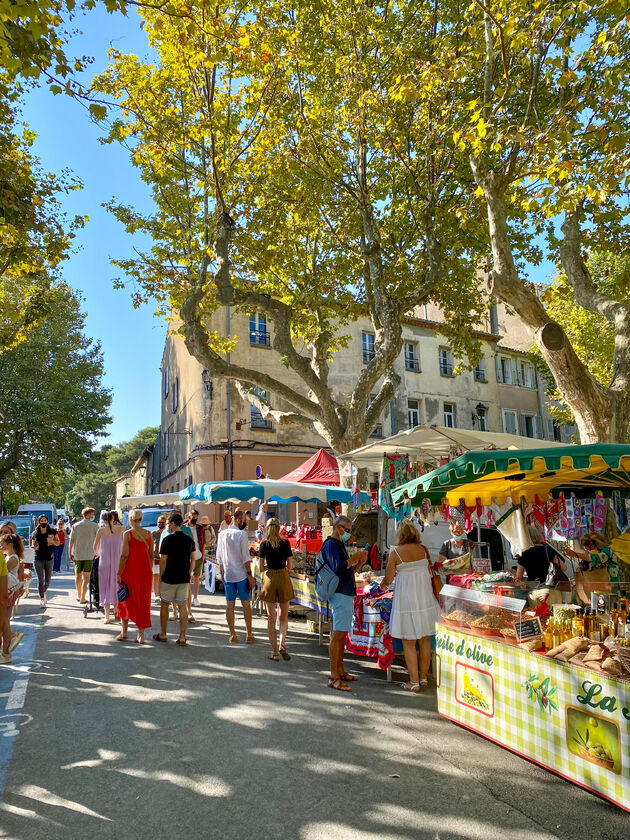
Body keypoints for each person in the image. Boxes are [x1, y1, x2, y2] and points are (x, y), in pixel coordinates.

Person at [381, 519, 440, 692]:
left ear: (400, 535)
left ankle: (413, 682)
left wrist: (382, 585)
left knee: (408, 641)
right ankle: (422, 678)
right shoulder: (423, 550)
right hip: (425, 599)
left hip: (406, 600)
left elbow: (389, 579)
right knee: (425, 640)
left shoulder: (396, 553)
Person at [319, 515, 367, 692]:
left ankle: (340, 670)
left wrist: (358, 563)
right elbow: (339, 567)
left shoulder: (338, 545)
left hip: (344, 592)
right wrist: (356, 557)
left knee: (341, 635)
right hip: (340, 594)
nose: (349, 533)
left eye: (350, 530)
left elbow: (345, 571)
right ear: (338, 528)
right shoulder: (332, 544)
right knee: (337, 636)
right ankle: (334, 676)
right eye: (347, 530)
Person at [153, 512, 195, 646]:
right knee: (183, 605)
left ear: (172, 523)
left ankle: (163, 634)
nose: (167, 526)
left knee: (165, 604)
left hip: (169, 577)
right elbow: (193, 559)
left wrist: (161, 576)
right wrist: (189, 573)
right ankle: (182, 637)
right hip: (183, 577)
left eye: (168, 523)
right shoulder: (189, 540)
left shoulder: (167, 540)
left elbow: (163, 560)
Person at [215, 508, 256, 643]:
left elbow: (219, 556)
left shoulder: (222, 534)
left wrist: (222, 572)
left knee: (229, 605)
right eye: (244, 521)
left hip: (228, 574)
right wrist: (250, 575)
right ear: (239, 521)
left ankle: (232, 634)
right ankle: (249, 634)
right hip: (241, 574)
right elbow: (245, 557)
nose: (245, 523)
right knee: (246, 604)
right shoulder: (241, 535)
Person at [259, 517, 295, 661]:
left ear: (267, 528)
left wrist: (270, 567)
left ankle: (274, 652)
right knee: (283, 615)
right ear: (279, 528)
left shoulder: (264, 544)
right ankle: (282, 644)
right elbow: (290, 566)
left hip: (270, 579)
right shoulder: (285, 543)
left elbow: (261, 568)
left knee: (271, 618)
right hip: (283, 577)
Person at [116, 509, 153, 644]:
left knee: (125, 599)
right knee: (143, 601)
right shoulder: (149, 534)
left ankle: (124, 632)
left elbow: (124, 555)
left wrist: (119, 572)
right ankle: (140, 635)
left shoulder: (128, 534)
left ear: (131, 519)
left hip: (130, 571)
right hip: (145, 572)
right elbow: (150, 555)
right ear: (141, 519)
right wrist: (148, 571)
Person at [94, 511, 125, 624]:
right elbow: (125, 544)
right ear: (113, 519)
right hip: (118, 561)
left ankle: (107, 616)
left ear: (104, 520)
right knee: (117, 585)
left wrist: (99, 555)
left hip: (105, 562)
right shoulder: (121, 529)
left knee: (105, 587)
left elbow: (95, 546)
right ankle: (117, 612)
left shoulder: (101, 530)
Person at [0, 533, 24, 656]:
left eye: (2, 544)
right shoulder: (9, 557)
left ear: (10, 544)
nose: (0, 546)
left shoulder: (12, 558)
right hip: (9, 590)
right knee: (4, 620)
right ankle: (7, 646)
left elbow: (4, 572)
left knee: (4, 620)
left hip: (8, 591)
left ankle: (9, 642)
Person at [69, 508, 99, 604]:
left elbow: (71, 540)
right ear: (89, 514)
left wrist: (70, 552)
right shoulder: (95, 526)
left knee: (78, 575)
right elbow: (98, 541)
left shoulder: (75, 526)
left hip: (78, 554)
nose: (93, 515)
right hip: (90, 554)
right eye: (92, 513)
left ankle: (78, 594)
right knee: (86, 577)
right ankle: (83, 597)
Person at [31, 514, 59, 608]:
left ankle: (43, 592)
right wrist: (34, 547)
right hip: (38, 558)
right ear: (39, 522)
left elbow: (58, 543)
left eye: (45, 520)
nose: (43, 522)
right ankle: (42, 599)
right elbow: (33, 544)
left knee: (47, 581)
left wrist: (52, 542)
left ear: (47, 521)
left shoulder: (52, 531)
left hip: (49, 558)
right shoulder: (35, 532)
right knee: (40, 580)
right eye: (41, 521)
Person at [151, 516, 167, 602]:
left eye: (162, 522)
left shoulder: (168, 533)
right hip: (155, 558)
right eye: (159, 522)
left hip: (165, 558)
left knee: (164, 577)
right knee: (156, 576)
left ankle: (164, 594)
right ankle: (157, 595)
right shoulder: (154, 533)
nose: (160, 524)